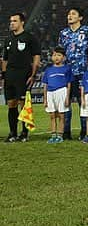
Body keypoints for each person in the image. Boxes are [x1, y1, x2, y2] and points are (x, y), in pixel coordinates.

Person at [3, 12, 41, 142]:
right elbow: (5, 60)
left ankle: (24, 133)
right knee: (11, 104)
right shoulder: (8, 40)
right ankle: (12, 133)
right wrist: (4, 76)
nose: (12, 23)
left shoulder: (29, 38)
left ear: (22, 22)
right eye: (11, 21)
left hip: (24, 74)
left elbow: (36, 56)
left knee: (23, 104)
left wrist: (33, 74)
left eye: (14, 21)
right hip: (10, 76)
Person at [58, 7, 88, 140]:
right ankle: (66, 132)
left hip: (83, 72)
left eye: (73, 14)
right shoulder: (64, 33)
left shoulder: (87, 31)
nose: (70, 16)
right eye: (68, 14)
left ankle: (85, 131)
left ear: (80, 18)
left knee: (82, 102)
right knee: (65, 102)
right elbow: (60, 52)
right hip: (67, 72)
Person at [43, 46, 72, 144]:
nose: (56, 57)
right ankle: (53, 135)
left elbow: (69, 84)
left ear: (63, 57)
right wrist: (45, 99)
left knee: (61, 115)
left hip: (61, 92)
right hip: (50, 93)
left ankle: (60, 135)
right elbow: (45, 85)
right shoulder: (48, 70)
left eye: (59, 55)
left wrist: (67, 97)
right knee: (52, 115)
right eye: (54, 55)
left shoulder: (67, 69)